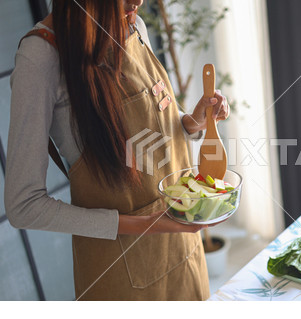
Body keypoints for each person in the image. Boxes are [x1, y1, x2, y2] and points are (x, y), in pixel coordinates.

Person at [5, 0, 230, 301]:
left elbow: (154, 133)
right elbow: (23, 206)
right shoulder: (41, 57)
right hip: (119, 276)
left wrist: (193, 121)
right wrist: (147, 224)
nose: (138, 2)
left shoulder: (134, 26)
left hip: (183, 252)